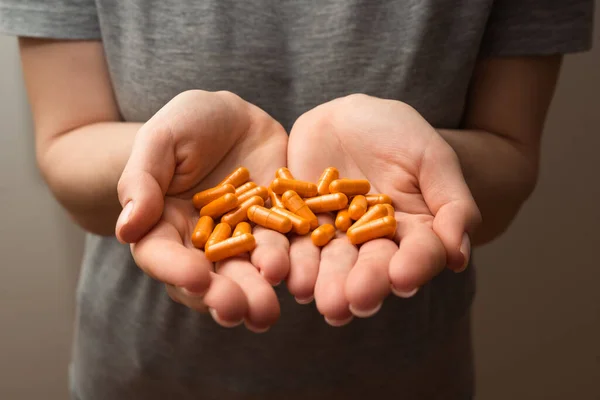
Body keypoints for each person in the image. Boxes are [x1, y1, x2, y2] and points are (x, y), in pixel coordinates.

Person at [0, 1, 594, 399]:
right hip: (141, 374)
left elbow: (511, 162)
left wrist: (426, 163)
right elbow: (64, 147)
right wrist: (161, 170)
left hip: (404, 378)